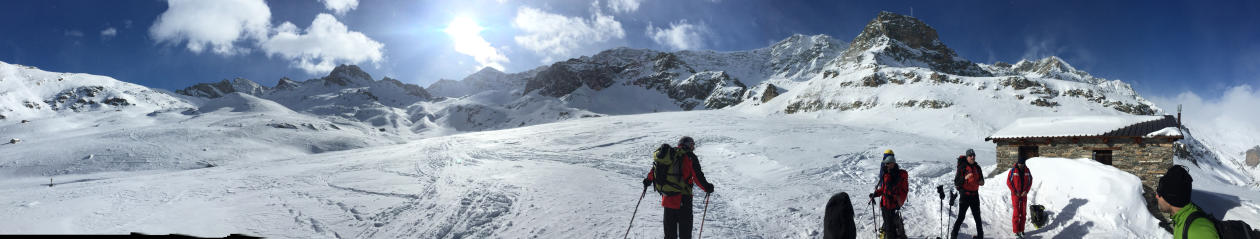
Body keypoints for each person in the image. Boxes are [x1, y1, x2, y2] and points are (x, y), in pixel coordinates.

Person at [643, 136, 714, 239]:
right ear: (689, 145)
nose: (693, 147)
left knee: (669, 235)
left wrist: (648, 181)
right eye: (692, 145)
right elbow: (697, 176)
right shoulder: (689, 156)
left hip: (667, 199)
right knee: (685, 234)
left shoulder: (669, 154)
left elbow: (655, 170)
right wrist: (707, 187)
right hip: (684, 199)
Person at [1157, 165, 1219, 239]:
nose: (1156, 196)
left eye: (1159, 193)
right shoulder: (1180, 220)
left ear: (1170, 198)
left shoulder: (1198, 230)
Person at [869, 149, 908, 239]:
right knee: (888, 227)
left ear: (893, 163)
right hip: (885, 205)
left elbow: (902, 191)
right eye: (885, 163)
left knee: (890, 230)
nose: (885, 165)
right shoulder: (886, 174)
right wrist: (875, 194)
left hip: (892, 206)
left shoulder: (898, 175)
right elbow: (884, 189)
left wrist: (898, 202)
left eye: (887, 163)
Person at [951, 149, 985, 239]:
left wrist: (981, 182)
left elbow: (982, 180)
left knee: (977, 217)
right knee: (961, 217)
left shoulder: (977, 167)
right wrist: (965, 178)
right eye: (970, 156)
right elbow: (956, 182)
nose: (972, 157)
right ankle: (953, 235)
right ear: (967, 157)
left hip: (975, 195)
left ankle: (980, 236)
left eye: (974, 155)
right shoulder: (962, 167)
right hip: (965, 195)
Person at [1006, 157, 1033, 238]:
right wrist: (1015, 191)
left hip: (1024, 195)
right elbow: (1008, 182)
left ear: (1024, 163)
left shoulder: (1027, 170)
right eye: (1019, 164)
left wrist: (1026, 191)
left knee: (1023, 213)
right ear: (1017, 163)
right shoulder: (1013, 170)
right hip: (1015, 195)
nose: (1020, 165)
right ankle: (1016, 231)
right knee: (1016, 213)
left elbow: (1030, 181)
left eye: (1022, 164)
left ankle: (1021, 230)